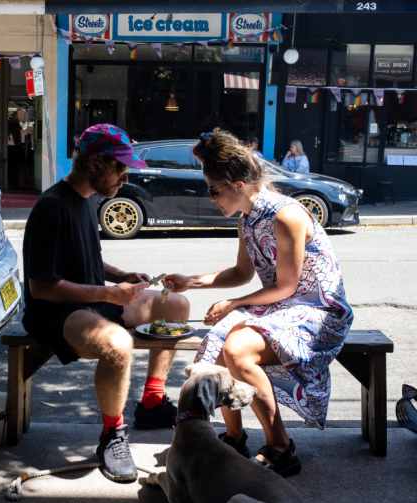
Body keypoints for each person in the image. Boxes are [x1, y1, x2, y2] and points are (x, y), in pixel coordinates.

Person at [164, 129, 353, 478]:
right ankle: (235, 439)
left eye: (214, 190)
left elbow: (286, 286)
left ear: (238, 185)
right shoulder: (247, 218)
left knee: (236, 350)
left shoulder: (286, 215)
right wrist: (191, 281)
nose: (211, 198)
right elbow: (240, 272)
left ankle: (282, 447)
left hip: (319, 310)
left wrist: (234, 304)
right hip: (281, 307)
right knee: (219, 347)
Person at [22, 124, 190, 483]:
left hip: (94, 302)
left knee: (176, 305)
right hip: (56, 313)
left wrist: (120, 276)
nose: (125, 178)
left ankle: (152, 403)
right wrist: (108, 294)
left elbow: (85, 260)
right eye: (120, 168)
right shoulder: (51, 206)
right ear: (95, 163)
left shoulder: (85, 200)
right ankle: (112, 435)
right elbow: (42, 287)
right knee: (118, 344)